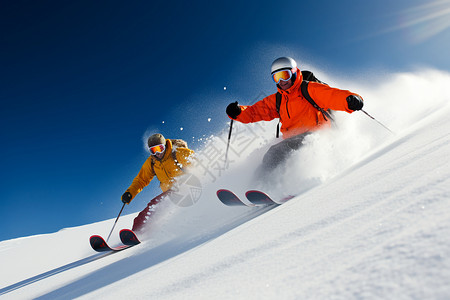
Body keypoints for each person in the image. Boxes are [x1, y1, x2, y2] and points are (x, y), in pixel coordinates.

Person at [226, 56, 364, 172]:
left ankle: (268, 187)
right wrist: (238, 112)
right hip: (291, 140)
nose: (282, 81)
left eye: (284, 75)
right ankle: (255, 188)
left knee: (275, 153)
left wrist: (350, 99)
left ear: (293, 72)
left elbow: (332, 96)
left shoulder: (309, 88)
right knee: (267, 160)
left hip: (316, 136)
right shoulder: (278, 99)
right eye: (276, 78)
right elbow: (255, 112)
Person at [121, 133, 195, 205]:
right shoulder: (152, 162)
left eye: (160, 148)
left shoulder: (178, 153)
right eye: (153, 150)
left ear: (165, 146)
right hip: (171, 197)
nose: (157, 153)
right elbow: (141, 180)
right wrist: (130, 193)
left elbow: (197, 164)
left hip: (187, 189)